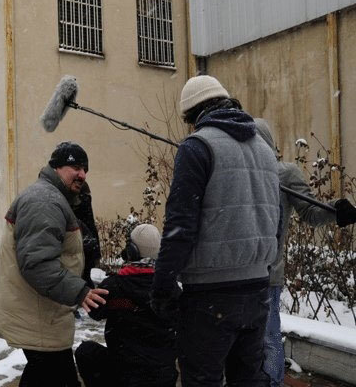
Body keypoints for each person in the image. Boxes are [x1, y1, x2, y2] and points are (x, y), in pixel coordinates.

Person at [150, 75, 281, 386]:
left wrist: (163, 285)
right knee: (246, 380)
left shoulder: (197, 147)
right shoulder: (264, 150)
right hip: (257, 291)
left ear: (192, 114)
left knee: (202, 380)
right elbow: (274, 221)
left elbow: (180, 225)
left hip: (209, 297)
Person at [0, 141, 108, 387]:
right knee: (58, 377)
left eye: (85, 169)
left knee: (44, 374)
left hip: (41, 309)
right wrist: (78, 291)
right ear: (56, 167)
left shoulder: (55, 198)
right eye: (75, 166)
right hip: (36, 312)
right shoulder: (45, 201)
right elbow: (37, 263)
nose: (82, 174)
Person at [255, 118, 356, 386]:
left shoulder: (284, 174)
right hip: (232, 276)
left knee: (269, 342)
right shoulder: (234, 175)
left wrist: (337, 209)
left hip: (267, 277)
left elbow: (310, 212)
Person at [75, 223, 178, 387]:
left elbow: (95, 312)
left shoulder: (114, 287)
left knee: (86, 352)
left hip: (123, 376)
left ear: (131, 251)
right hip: (162, 376)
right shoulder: (171, 289)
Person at [71, 182, 101, 288]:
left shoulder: (77, 203)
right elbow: (91, 225)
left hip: (82, 242)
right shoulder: (85, 201)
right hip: (88, 242)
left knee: (81, 277)